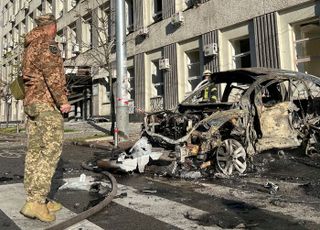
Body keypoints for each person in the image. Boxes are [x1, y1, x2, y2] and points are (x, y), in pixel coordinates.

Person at [20, 13, 71, 222]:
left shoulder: (30, 45)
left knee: (34, 152)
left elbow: (29, 74)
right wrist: (63, 101)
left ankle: (35, 196)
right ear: (53, 26)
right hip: (46, 103)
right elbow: (53, 75)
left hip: (32, 103)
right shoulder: (47, 44)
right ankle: (37, 202)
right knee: (50, 151)